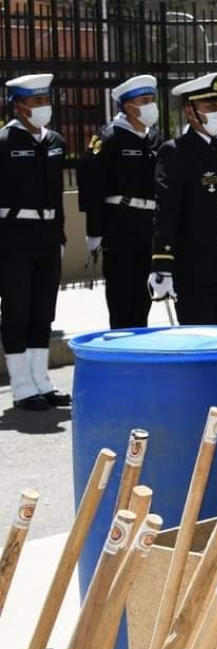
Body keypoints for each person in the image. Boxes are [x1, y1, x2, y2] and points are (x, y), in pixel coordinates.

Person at [149, 72, 217, 330]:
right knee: (200, 340)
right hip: (194, 270)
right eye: (211, 106)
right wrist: (162, 265)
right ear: (190, 111)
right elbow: (167, 212)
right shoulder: (175, 152)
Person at [0, 74, 70, 410]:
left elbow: (57, 194)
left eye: (46, 100)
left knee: (44, 310)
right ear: (19, 106)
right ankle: (21, 385)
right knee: (17, 310)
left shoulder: (55, 141)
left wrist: (61, 235)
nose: (44, 107)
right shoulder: (4, 141)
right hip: (14, 235)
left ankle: (41, 380)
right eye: (36, 101)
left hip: (48, 235)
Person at [81, 74, 163, 330]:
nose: (151, 105)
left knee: (143, 295)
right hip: (120, 225)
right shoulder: (108, 137)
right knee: (121, 292)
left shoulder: (154, 138)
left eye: (152, 99)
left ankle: (140, 342)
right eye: (145, 101)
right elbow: (91, 187)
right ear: (129, 106)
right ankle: (121, 342)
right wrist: (94, 231)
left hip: (148, 225)